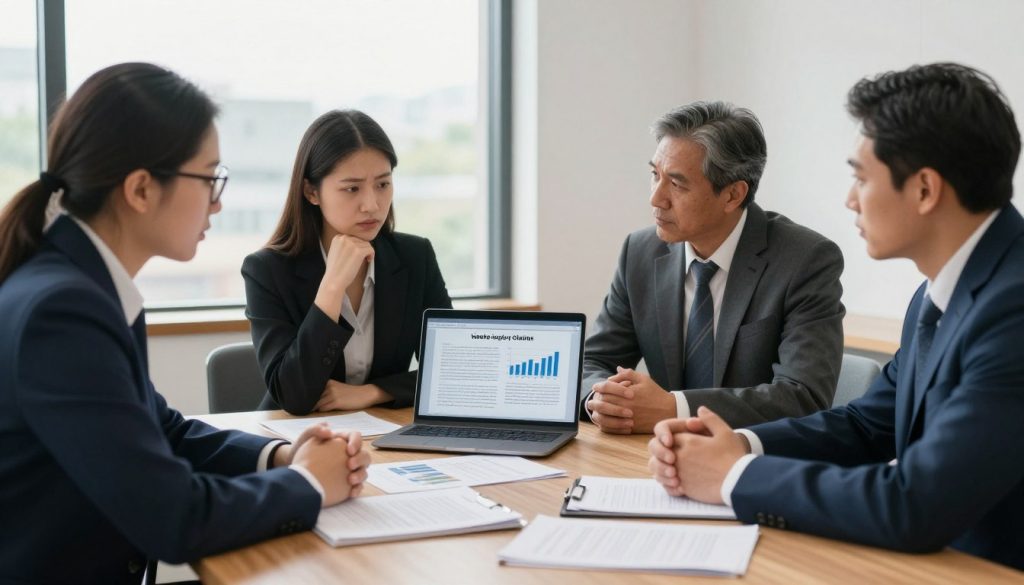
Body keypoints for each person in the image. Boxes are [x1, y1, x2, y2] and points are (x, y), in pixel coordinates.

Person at [0, 63, 370, 584]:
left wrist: (284, 456)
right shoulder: (62, 313)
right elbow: (174, 518)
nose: (218, 203)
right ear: (141, 190)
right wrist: (309, 484)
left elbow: (161, 430)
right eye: (209, 177)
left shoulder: (82, 288)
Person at [647, 63, 1024, 570]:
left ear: (925, 190)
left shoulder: (1013, 311)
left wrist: (732, 476)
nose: (849, 199)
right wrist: (740, 443)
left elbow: (916, 504)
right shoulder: (937, 293)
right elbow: (869, 425)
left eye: (861, 177)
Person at [583, 101, 845, 433]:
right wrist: (600, 401)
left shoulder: (805, 260)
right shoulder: (640, 252)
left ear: (733, 195)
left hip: (754, 462)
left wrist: (673, 408)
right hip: (657, 457)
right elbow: (592, 363)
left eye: (676, 184)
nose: (656, 198)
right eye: (654, 175)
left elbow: (802, 397)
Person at [243, 110, 452, 416]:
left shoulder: (414, 256)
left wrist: (371, 393)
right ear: (311, 192)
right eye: (352, 188)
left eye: (383, 184)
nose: (372, 205)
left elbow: (452, 371)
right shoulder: (267, 270)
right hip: (297, 440)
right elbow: (293, 394)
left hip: (383, 433)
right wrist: (331, 286)